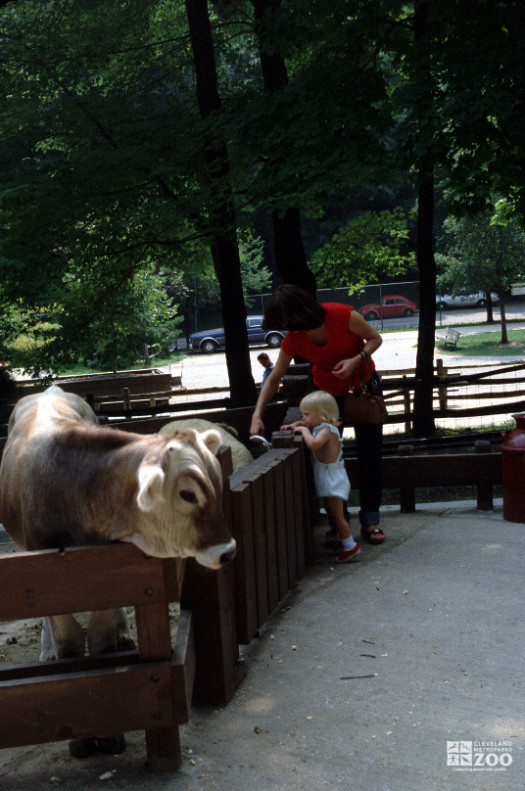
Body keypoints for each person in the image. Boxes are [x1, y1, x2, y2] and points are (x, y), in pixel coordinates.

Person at [250, 283, 385, 545]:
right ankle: (339, 524)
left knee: (371, 454)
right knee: (327, 458)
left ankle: (371, 520)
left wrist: (357, 358)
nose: (287, 328)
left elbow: (376, 339)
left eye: (287, 321)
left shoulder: (342, 315)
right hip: (326, 396)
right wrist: (257, 415)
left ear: (298, 313)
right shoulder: (294, 338)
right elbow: (274, 377)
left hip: (362, 387)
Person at [290, 391, 360, 563]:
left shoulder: (327, 430)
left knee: (337, 515)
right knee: (331, 511)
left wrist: (302, 429)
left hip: (333, 479)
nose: (303, 418)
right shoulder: (321, 426)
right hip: (329, 477)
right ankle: (342, 540)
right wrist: (300, 424)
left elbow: (313, 444)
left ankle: (351, 546)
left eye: (306, 414)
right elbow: (310, 426)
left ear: (322, 415)